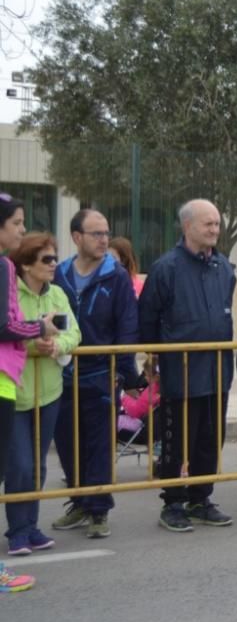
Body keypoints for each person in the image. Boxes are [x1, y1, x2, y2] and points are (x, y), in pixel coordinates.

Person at [139, 200, 236, 532]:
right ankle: (174, 503)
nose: (214, 229)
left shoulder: (223, 267)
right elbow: (147, 318)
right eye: (207, 224)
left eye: (216, 224)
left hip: (217, 371)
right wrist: (154, 359)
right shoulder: (166, 268)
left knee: (211, 439)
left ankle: (201, 498)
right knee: (178, 440)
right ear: (187, 227)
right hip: (180, 373)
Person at [52, 209, 139, 539]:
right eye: (96, 233)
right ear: (77, 238)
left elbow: (127, 327)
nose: (104, 239)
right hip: (61, 375)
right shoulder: (58, 274)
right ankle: (79, 501)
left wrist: (126, 373)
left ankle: (99, 510)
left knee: (100, 445)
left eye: (106, 233)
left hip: (101, 373)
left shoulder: (115, 276)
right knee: (67, 443)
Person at [6, 233, 81, 556]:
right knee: (20, 465)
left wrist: (57, 345)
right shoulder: (10, 295)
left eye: (55, 258)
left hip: (50, 392)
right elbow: (6, 331)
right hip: (15, 392)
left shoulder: (59, 295)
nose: (54, 265)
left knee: (38, 466)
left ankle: (31, 527)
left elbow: (74, 332)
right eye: (46, 260)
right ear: (25, 265)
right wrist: (33, 340)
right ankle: (18, 532)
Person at [0, 195, 59, 592]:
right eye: (17, 222)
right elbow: (5, 325)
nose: (21, 230)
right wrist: (40, 327)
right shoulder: (3, 265)